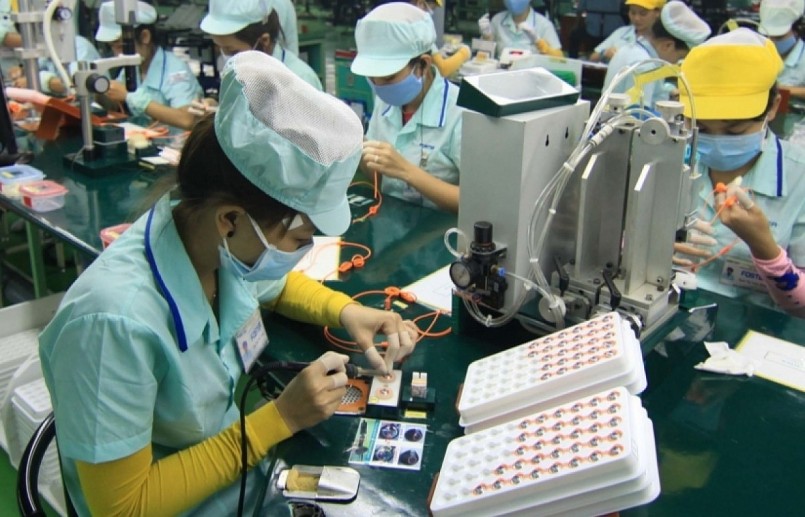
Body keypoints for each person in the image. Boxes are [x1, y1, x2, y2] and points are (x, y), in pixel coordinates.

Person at [39, 51, 419, 516]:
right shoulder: (112, 324)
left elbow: (273, 287)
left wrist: (346, 311)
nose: (300, 253)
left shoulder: (202, 240)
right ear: (231, 220)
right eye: (297, 239)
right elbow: (123, 509)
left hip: (240, 477)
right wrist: (278, 420)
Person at [675, 28, 805, 317]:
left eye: (735, 130)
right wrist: (651, 248)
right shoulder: (669, 159)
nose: (717, 141)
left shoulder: (799, 177)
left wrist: (765, 248)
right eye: (701, 129)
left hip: (757, 325)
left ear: (773, 107)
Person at [351, 2, 462, 212]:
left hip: (440, 229)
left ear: (423, 65)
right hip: (393, 222)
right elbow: (378, 178)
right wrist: (357, 146)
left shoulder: (460, 114)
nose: (379, 87)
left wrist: (406, 171)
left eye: (388, 77)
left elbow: (478, 202)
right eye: (372, 78)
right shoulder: (386, 101)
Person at [95, 1, 203, 130]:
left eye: (120, 46)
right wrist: (99, 90)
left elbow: (187, 120)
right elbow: (114, 104)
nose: (117, 54)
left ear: (145, 36)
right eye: (112, 47)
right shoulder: (133, 68)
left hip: (174, 141)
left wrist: (130, 96)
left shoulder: (175, 70)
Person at [602, 0, 709, 107]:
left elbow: (652, 88)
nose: (676, 62)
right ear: (668, 45)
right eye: (679, 57)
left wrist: (669, 90)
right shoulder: (645, 66)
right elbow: (636, 114)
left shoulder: (632, 50)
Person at [200, 0, 321, 90]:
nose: (226, 59)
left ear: (264, 41)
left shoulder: (300, 80)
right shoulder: (238, 74)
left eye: (233, 51)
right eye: (219, 48)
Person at [478, 0, 563, 59]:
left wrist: (538, 41)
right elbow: (483, 59)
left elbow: (559, 61)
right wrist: (487, 38)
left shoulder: (544, 24)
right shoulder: (497, 20)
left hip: (531, 77)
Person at [589, 0, 665, 63]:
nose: (636, 18)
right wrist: (604, 53)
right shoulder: (621, 32)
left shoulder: (663, 39)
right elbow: (592, 57)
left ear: (657, 13)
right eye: (633, 13)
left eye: (643, 14)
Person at [760, 0, 805, 100]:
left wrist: (782, 90)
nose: (772, 41)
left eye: (779, 37)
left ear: (797, 30)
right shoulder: (760, 53)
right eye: (768, 36)